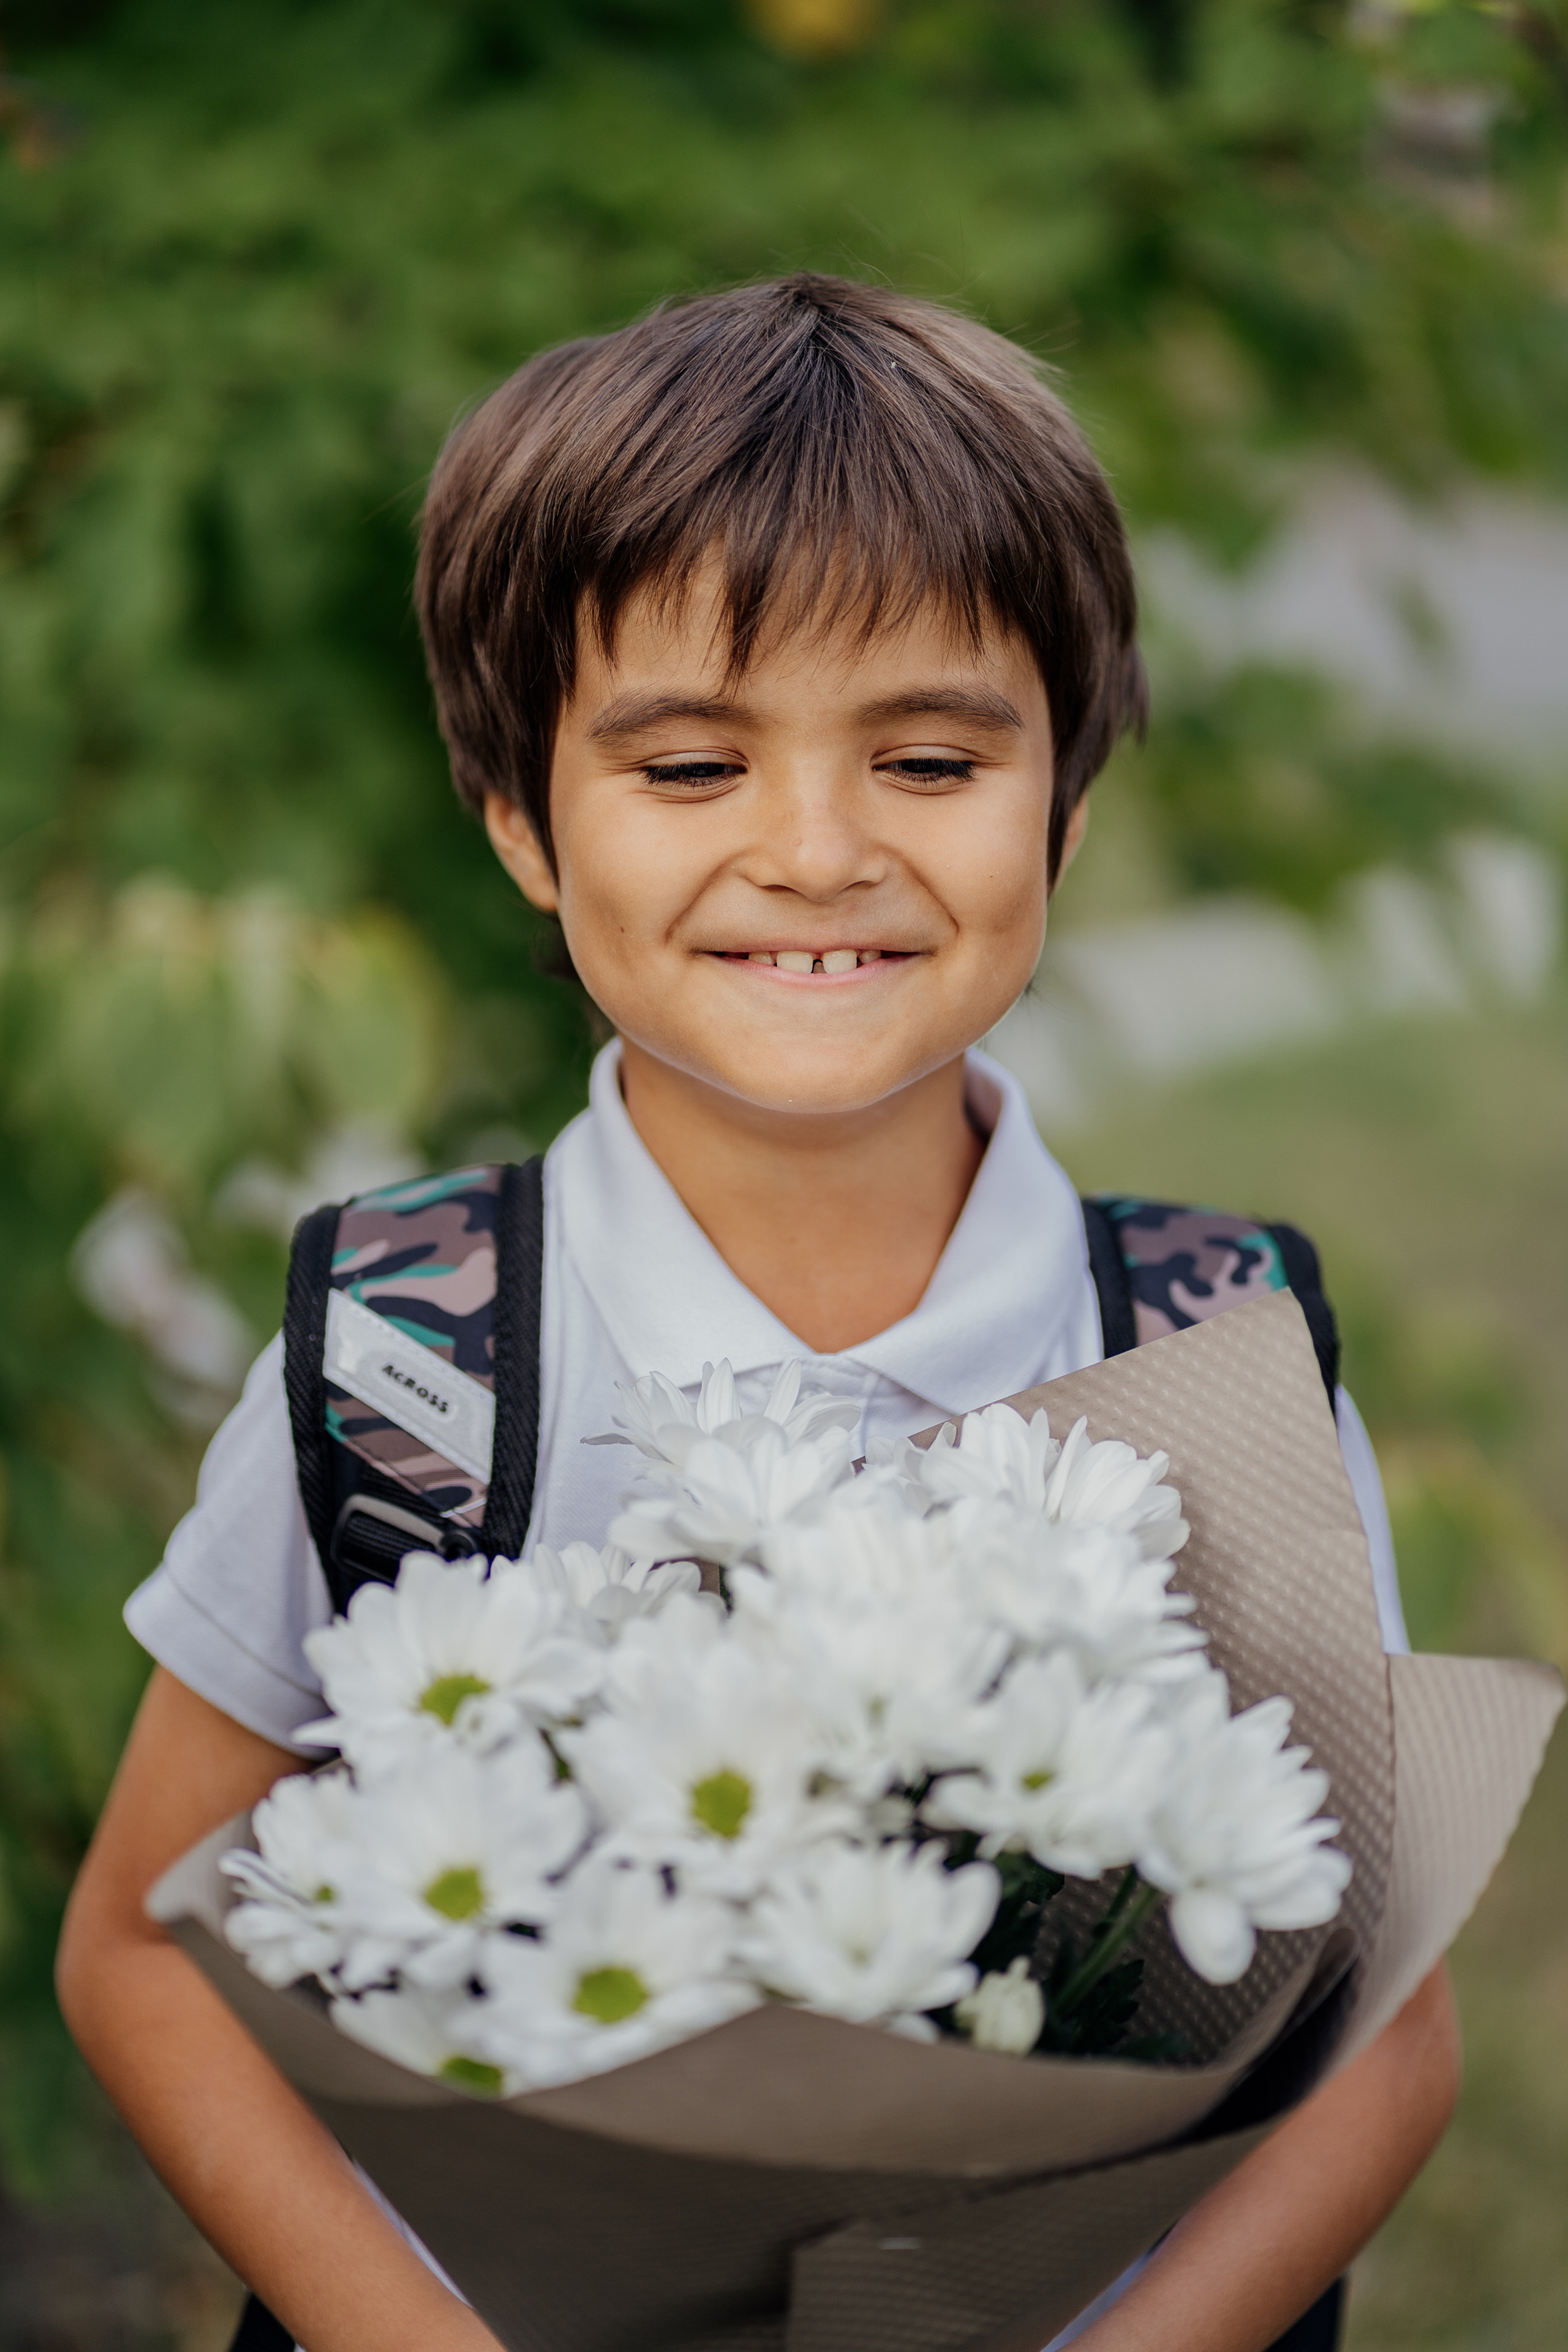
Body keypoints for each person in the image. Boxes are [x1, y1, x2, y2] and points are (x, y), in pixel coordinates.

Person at [56, 274, 1459, 2352]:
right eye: (692, 765)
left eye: (925, 754)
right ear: (525, 821)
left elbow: (1377, 2037)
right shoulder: (407, 1355)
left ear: (1062, 804)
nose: (815, 854)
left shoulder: (1209, 1340)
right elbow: (147, 1955)